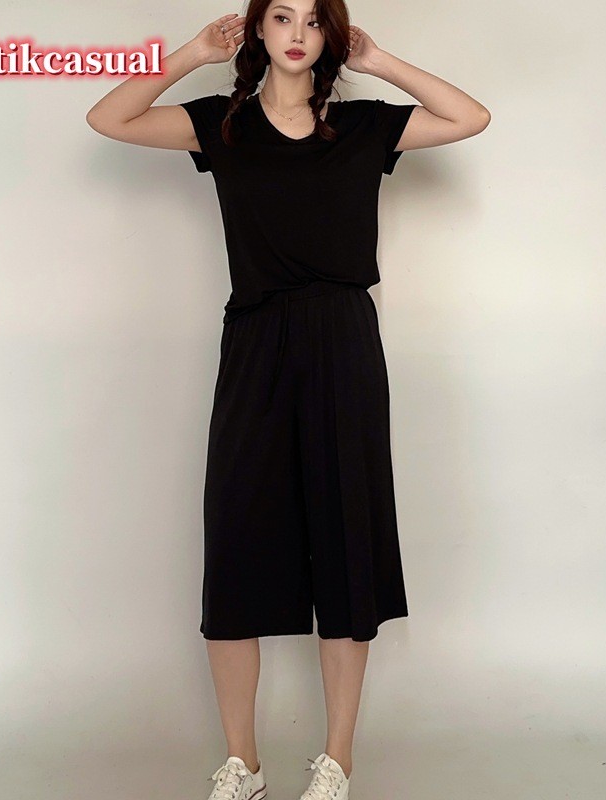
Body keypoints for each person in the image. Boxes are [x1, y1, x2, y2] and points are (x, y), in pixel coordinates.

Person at [87, 2, 490, 798]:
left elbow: (470, 116)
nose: (297, 32)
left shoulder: (365, 127)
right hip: (256, 340)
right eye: (281, 16)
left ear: (330, 37)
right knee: (238, 543)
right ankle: (244, 763)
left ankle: (338, 761)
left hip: (343, 342)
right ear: (259, 32)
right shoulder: (222, 126)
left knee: (345, 540)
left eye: (312, 19)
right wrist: (191, 53)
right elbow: (108, 117)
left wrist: (379, 62)